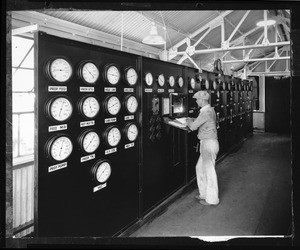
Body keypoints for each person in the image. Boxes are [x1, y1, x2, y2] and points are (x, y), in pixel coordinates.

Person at [186, 90, 220, 206]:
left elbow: (194, 127)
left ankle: (212, 199)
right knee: (200, 168)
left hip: (208, 144)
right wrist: (192, 120)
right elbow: (201, 122)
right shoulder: (209, 110)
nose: (196, 101)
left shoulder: (206, 112)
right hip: (207, 143)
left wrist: (188, 120)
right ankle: (203, 194)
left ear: (201, 100)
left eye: (197, 99)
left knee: (209, 171)